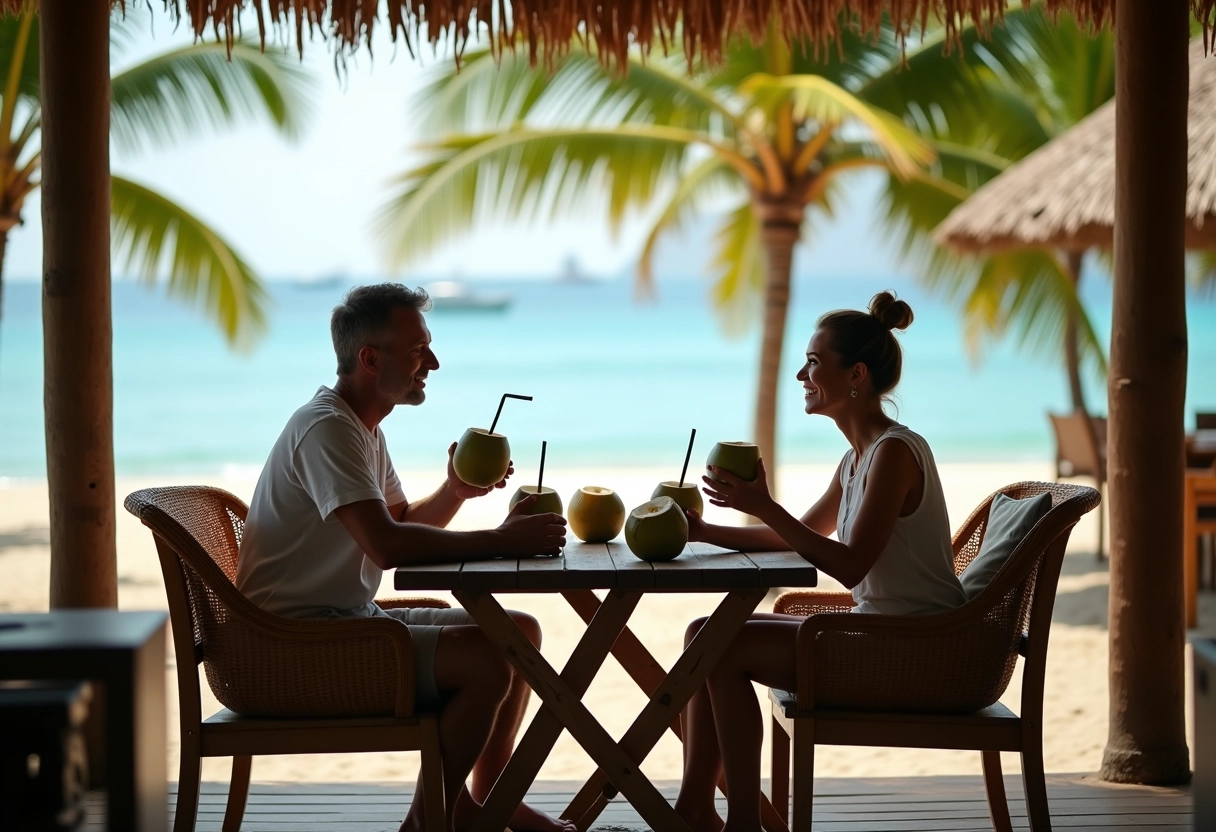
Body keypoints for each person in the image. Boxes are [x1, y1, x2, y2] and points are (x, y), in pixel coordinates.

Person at [234, 283, 574, 832]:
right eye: (419, 351)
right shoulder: (328, 429)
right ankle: (429, 822)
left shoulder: (362, 428)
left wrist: (456, 492)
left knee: (520, 633)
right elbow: (388, 547)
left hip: (341, 623)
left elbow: (399, 525)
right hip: (289, 646)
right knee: (489, 660)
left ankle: (487, 802)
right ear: (370, 358)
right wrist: (503, 539)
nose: (433, 363)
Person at [672, 291, 966, 832]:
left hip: (916, 649)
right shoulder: (857, 458)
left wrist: (763, 505)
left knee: (721, 646)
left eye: (813, 362)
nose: (801, 375)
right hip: (880, 634)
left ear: (855, 374)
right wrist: (709, 529)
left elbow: (849, 566)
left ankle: (739, 821)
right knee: (702, 634)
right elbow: (800, 538)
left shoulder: (895, 453)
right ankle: (694, 810)